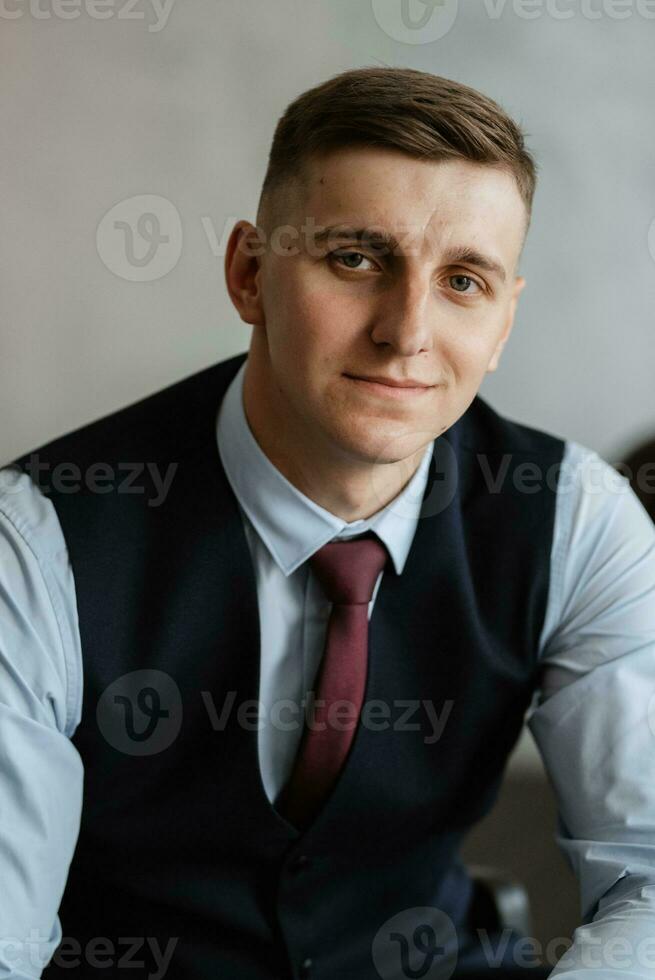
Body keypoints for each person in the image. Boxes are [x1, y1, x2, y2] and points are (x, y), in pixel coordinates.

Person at [1, 66, 654, 980]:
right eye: (356, 258)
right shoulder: (36, 544)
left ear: (503, 322)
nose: (405, 332)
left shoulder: (577, 522)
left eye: (463, 281)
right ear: (248, 273)